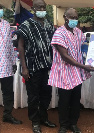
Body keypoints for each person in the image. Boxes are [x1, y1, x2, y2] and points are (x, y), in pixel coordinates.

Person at [48, 8, 94, 133]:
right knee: (64, 100)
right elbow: (64, 56)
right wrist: (84, 66)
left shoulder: (78, 32)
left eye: (76, 17)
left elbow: (86, 46)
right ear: (65, 17)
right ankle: (63, 125)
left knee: (75, 100)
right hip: (64, 73)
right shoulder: (59, 33)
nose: (74, 20)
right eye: (71, 17)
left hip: (77, 73)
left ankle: (73, 124)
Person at [17, 0, 56, 132]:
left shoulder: (49, 24)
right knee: (33, 96)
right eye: (39, 7)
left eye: (44, 7)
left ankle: (43, 118)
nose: (42, 9)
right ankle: (35, 122)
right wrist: (24, 67)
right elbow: (20, 46)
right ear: (33, 9)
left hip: (46, 66)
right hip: (32, 67)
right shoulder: (26, 25)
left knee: (46, 94)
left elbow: (54, 44)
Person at [0, 5, 22, 125]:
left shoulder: (6, 24)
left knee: (8, 92)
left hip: (6, 64)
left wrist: (13, 62)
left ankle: (7, 115)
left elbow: (10, 45)